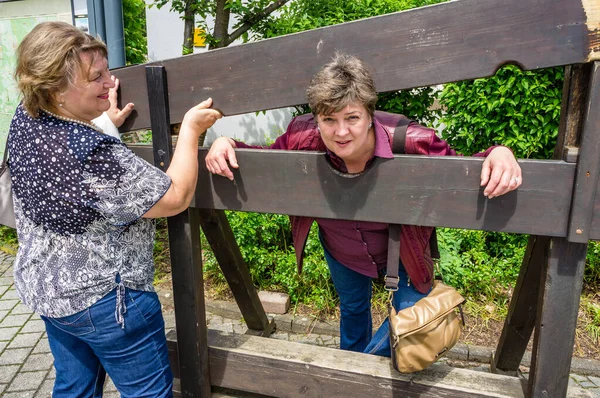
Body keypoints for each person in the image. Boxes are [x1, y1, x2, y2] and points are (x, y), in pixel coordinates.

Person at [205, 53, 522, 357]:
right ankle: (352, 369)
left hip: (403, 250)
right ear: (316, 119)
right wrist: (227, 143)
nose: (341, 131)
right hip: (341, 250)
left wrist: (500, 153)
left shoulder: (414, 141)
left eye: (352, 118)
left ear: (370, 115)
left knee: (418, 320)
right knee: (353, 311)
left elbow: (463, 168)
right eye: (329, 119)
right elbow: (266, 160)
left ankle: (354, 374)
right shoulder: (301, 137)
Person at [8, 21, 221, 397]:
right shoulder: (93, 153)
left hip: (51, 291)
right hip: (108, 302)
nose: (111, 83)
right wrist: (189, 131)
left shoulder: (25, 118)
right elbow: (173, 198)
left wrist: (103, 121)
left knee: (74, 389)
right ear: (56, 89)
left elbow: (72, 174)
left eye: (108, 71)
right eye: (97, 78)